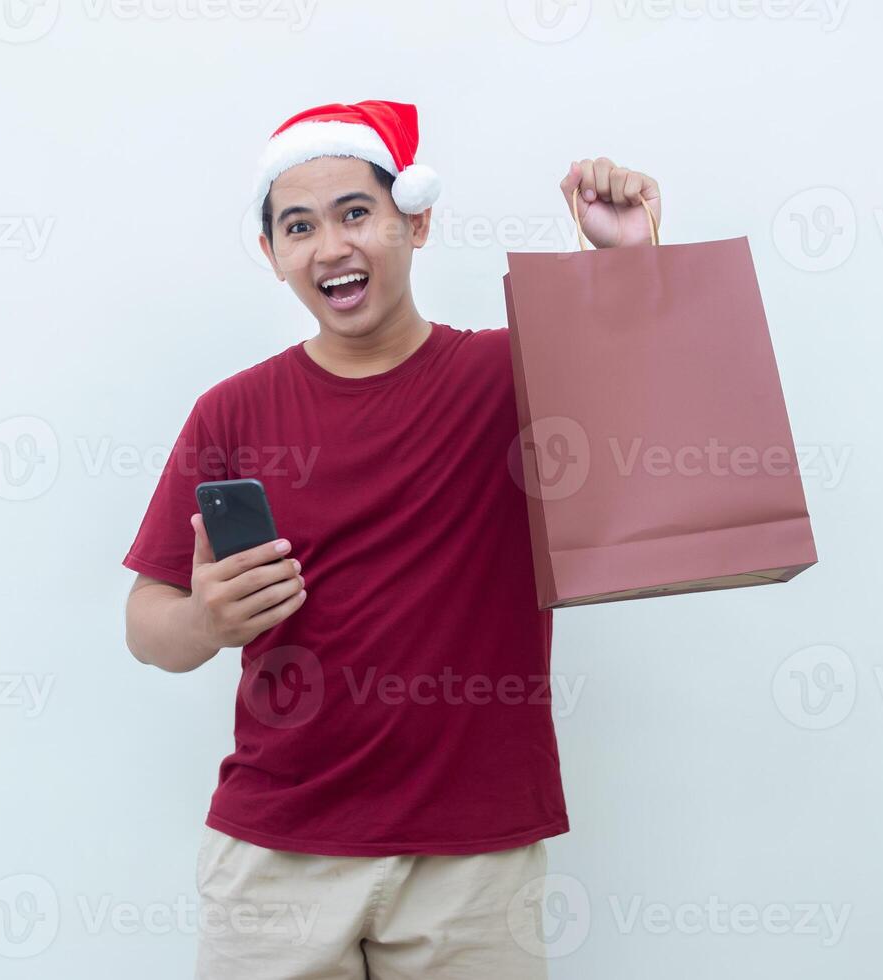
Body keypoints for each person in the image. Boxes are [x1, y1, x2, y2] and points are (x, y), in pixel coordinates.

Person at [122, 99, 661, 979]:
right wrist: (207, 623)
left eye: (356, 213)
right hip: (276, 858)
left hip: (473, 861)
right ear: (272, 256)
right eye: (299, 226)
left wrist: (625, 261)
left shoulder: (507, 376)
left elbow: (647, 394)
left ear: (416, 222)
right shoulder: (234, 409)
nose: (330, 245)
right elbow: (147, 621)